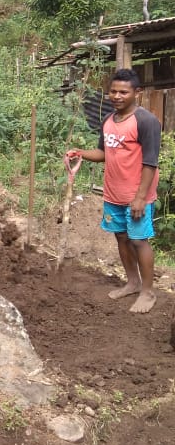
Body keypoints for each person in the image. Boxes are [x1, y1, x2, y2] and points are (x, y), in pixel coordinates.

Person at [67, 68, 160, 314]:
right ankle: (132, 282)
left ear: (137, 93)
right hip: (113, 193)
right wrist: (80, 153)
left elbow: (150, 162)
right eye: (113, 91)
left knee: (139, 240)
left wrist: (140, 197)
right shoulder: (108, 120)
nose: (117, 96)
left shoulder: (146, 121)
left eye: (123, 92)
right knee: (121, 237)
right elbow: (103, 154)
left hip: (136, 195)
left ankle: (148, 292)